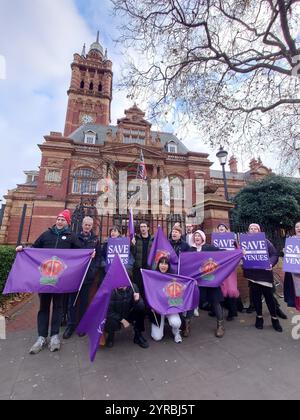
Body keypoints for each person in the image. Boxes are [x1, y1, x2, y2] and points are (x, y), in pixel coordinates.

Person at [16, 210, 81, 354]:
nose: (59, 221)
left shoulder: (71, 237)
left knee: (58, 308)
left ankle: (54, 336)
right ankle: (41, 337)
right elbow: (34, 248)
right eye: (58, 219)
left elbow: (80, 252)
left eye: (63, 220)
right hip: (44, 279)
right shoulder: (46, 235)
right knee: (44, 307)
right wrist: (23, 249)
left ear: (67, 222)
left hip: (60, 280)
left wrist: (90, 253)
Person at [63, 216, 101, 340]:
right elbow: (68, 254)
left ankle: (82, 325)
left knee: (84, 301)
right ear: (82, 225)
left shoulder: (95, 240)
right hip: (75, 275)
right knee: (72, 301)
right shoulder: (74, 238)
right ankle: (71, 325)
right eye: (86, 224)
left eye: (90, 225)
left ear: (92, 226)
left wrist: (93, 270)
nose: (87, 227)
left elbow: (98, 257)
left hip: (87, 275)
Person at [244, 223, 283, 332]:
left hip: (265, 274)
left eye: (254, 228)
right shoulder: (245, 243)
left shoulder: (266, 242)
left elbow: (274, 254)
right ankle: (259, 317)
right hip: (252, 275)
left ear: (259, 231)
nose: (252, 230)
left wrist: (270, 264)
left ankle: (275, 319)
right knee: (256, 298)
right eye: (250, 228)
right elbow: (242, 256)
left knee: (269, 298)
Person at [191, 230, 226, 338]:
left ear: (202, 238)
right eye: (195, 235)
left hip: (211, 280)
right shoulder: (190, 249)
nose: (197, 237)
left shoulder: (209, 247)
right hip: (197, 281)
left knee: (215, 302)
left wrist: (238, 252)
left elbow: (223, 253)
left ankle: (220, 325)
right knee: (191, 301)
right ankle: (186, 325)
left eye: (199, 235)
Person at [104, 283, 149, 349]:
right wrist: (122, 320)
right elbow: (108, 311)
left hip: (128, 313)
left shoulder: (133, 287)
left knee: (140, 311)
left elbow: (141, 307)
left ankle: (138, 336)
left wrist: (138, 301)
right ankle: (111, 336)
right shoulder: (111, 289)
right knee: (110, 319)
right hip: (117, 315)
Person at [150, 257, 182, 343]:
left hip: (170, 306)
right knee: (157, 337)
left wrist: (193, 282)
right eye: (161, 263)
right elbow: (149, 293)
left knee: (176, 323)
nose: (163, 265)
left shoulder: (173, 277)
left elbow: (182, 288)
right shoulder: (153, 277)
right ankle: (161, 323)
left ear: (168, 266)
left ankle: (176, 332)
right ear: (158, 264)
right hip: (158, 308)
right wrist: (151, 305)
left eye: (166, 263)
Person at [169, 226, 191, 336]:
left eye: (176, 232)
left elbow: (190, 260)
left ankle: (184, 323)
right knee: (171, 296)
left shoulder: (185, 246)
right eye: (173, 231)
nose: (174, 233)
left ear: (180, 234)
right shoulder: (167, 243)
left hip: (181, 276)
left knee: (181, 298)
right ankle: (173, 319)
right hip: (169, 275)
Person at [217, 223, 240, 321]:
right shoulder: (216, 240)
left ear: (227, 229)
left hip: (230, 268)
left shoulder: (233, 241)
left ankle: (232, 312)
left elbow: (238, 251)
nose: (221, 228)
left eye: (223, 227)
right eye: (219, 227)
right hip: (220, 268)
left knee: (231, 289)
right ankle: (218, 311)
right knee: (222, 288)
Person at [132, 222, 154, 300]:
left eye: (144, 226)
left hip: (149, 269)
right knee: (138, 288)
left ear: (148, 228)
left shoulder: (153, 239)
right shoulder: (136, 238)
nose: (142, 228)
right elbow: (132, 253)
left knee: (148, 289)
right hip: (138, 268)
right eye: (141, 227)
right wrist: (132, 244)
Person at [284, 221, 300, 310]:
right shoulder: (291, 240)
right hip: (295, 273)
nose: (299, 228)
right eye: (297, 227)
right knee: (297, 294)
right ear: (295, 229)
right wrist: (285, 252)